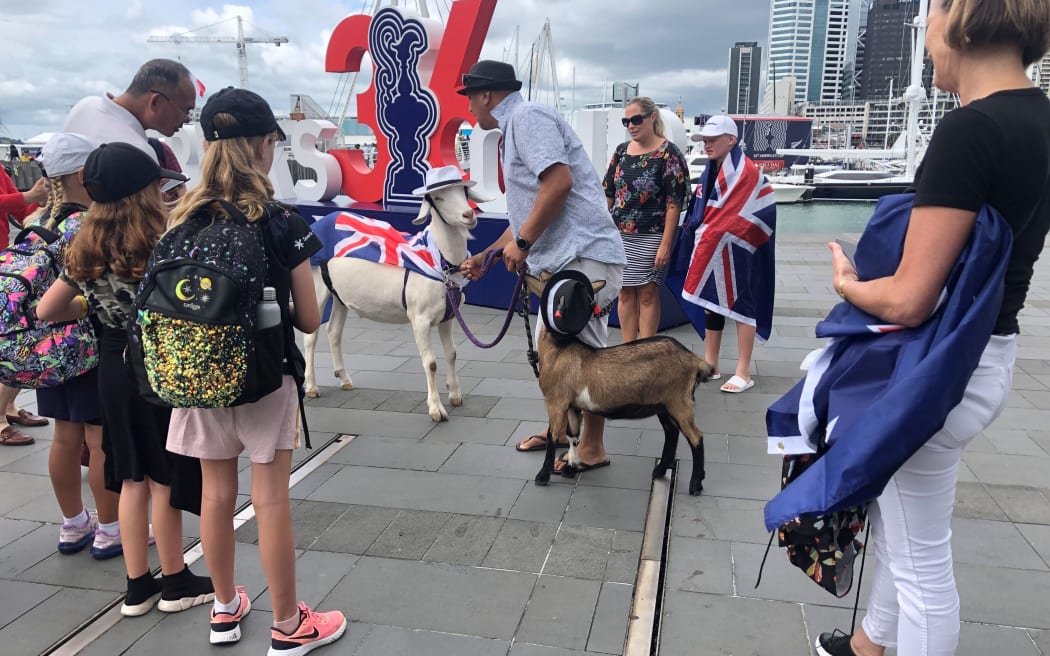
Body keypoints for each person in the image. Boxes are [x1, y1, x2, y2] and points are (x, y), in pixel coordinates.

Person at [813, 1, 1050, 654]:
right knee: (907, 525)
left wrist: (848, 285)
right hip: (988, 356)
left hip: (939, 369)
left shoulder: (970, 131)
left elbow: (912, 299)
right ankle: (868, 643)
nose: (926, 34)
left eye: (935, 10)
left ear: (963, 20)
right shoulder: (1039, 117)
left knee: (921, 562)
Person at [162, 87, 346, 653]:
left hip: (194, 375)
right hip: (264, 377)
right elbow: (311, 320)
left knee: (216, 493)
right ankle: (289, 626)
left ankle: (223, 608)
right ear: (264, 146)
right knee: (269, 498)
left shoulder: (179, 217)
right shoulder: (280, 221)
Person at [37, 142, 213, 617]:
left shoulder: (85, 243)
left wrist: (92, 307)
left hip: (112, 370)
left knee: (131, 477)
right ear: (144, 191)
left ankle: (137, 587)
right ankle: (175, 579)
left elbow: (46, 309)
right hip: (158, 366)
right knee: (163, 478)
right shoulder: (164, 238)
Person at [457, 61, 626, 472]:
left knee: (586, 357)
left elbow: (559, 183)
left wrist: (523, 242)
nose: (469, 111)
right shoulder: (516, 125)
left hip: (584, 257)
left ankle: (592, 448)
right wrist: (492, 253)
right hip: (567, 259)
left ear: (485, 95)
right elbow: (525, 214)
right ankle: (559, 433)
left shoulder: (527, 117)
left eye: (470, 100)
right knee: (553, 358)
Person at [31, 132, 121, 556]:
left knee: (64, 438)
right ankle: (110, 529)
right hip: (88, 347)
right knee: (99, 440)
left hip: (48, 351)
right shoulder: (89, 226)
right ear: (86, 175)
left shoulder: (37, 225)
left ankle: (72, 524)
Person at [668, 115, 776, 394]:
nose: (707, 145)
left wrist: (719, 231)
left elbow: (758, 211)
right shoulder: (710, 169)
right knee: (711, 302)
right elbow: (703, 209)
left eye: (712, 140)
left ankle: (743, 370)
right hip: (711, 244)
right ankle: (710, 363)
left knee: (742, 305)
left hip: (739, 247)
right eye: (704, 140)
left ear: (731, 139)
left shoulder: (747, 172)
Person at [602, 96, 689, 342]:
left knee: (649, 295)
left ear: (652, 117)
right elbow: (608, 193)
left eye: (636, 119)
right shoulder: (620, 152)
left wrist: (665, 245)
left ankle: (646, 352)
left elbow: (674, 203)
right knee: (624, 295)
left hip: (652, 237)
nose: (631, 125)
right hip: (619, 237)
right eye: (626, 121)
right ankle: (629, 351)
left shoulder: (668, 153)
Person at [64, 58, 197, 162]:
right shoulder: (139, 152)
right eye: (185, 110)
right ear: (155, 102)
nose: (187, 119)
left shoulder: (85, 106)